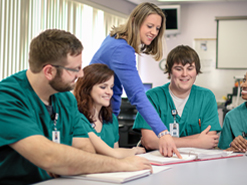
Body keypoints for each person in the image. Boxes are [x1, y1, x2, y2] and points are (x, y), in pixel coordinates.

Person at [0, 29, 151, 184]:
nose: (81, 75)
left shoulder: (66, 99)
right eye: (75, 69)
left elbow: (86, 149)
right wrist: (121, 165)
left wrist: (63, 162)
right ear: (49, 71)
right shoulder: (7, 98)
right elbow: (48, 156)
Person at [89, 2, 180, 158]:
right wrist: (163, 132)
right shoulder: (122, 49)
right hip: (94, 117)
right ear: (134, 21)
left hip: (104, 115)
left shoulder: (114, 38)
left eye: (157, 28)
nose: (154, 32)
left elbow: (116, 89)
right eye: (150, 26)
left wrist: (113, 120)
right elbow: (137, 95)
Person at [133, 45, 221, 150]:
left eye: (190, 68)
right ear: (170, 72)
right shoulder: (153, 97)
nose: (185, 74)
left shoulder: (206, 98)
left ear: (196, 71)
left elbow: (210, 140)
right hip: (161, 162)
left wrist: (162, 140)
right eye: (178, 69)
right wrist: (198, 141)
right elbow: (149, 142)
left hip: (196, 162)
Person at [74, 63, 145, 158]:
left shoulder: (111, 119)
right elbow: (114, 154)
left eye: (111, 87)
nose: (109, 92)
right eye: (103, 87)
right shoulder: (78, 118)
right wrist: (135, 150)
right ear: (87, 88)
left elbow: (117, 153)